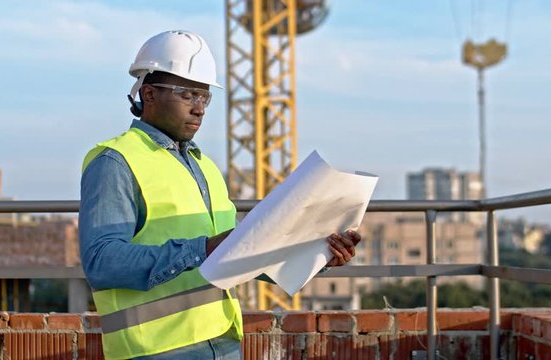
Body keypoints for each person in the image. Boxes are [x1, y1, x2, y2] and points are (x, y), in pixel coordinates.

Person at [79, 30, 362, 360]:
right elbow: (102, 262)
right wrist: (205, 248)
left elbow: (240, 256)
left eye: (204, 97)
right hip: (156, 350)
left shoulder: (205, 168)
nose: (199, 109)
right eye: (187, 95)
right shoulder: (116, 161)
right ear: (149, 94)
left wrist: (318, 253)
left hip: (222, 343)